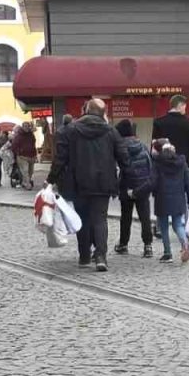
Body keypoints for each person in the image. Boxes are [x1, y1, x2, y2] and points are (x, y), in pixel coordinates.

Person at [46, 99, 128, 272]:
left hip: (78, 182)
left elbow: (60, 158)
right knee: (100, 219)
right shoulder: (111, 131)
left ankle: (84, 256)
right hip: (103, 183)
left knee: (82, 219)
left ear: (86, 110)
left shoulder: (71, 130)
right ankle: (101, 257)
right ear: (103, 112)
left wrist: (51, 178)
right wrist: (124, 179)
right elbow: (124, 157)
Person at [113, 119, 154, 258]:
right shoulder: (142, 146)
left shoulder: (120, 147)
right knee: (145, 217)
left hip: (126, 186)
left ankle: (123, 244)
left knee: (126, 217)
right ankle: (148, 246)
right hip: (142, 186)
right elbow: (150, 165)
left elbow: (118, 167)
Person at [151, 143, 189, 264]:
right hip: (178, 199)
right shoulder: (182, 164)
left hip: (162, 199)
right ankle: (185, 243)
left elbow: (153, 181)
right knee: (178, 225)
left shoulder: (158, 163)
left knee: (163, 227)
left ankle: (167, 253)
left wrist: (148, 192)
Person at [152, 94, 189, 175]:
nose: (185, 109)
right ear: (180, 105)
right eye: (185, 106)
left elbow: (155, 146)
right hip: (185, 165)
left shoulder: (159, 122)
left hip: (164, 166)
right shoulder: (188, 122)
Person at [13, 122, 38, 190]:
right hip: (22, 156)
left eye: (28, 126)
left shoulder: (31, 135)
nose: (26, 127)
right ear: (22, 127)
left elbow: (33, 144)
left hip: (31, 156)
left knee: (31, 171)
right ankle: (28, 185)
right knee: (25, 171)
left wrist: (35, 154)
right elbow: (14, 145)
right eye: (25, 126)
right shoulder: (18, 136)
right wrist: (19, 152)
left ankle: (24, 182)